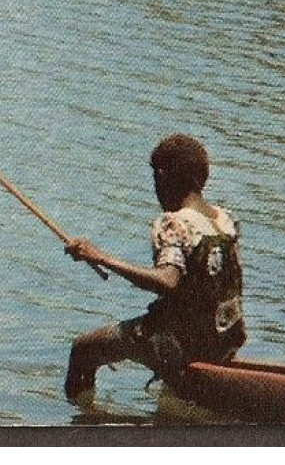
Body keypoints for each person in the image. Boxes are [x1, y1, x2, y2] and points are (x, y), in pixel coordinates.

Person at [62, 134, 246, 403]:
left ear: (163, 176)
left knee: (82, 349)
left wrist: (100, 257)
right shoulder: (226, 220)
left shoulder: (174, 223)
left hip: (178, 341)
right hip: (224, 338)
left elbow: (166, 280)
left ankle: (80, 422)